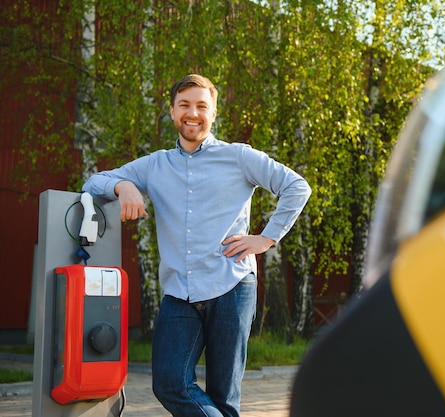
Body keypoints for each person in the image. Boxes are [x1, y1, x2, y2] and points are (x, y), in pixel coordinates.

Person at [82, 73, 311, 417]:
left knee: (223, 396)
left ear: (213, 113)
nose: (193, 113)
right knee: (170, 383)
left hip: (231, 285)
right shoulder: (155, 165)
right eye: (185, 105)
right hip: (179, 293)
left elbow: (296, 187)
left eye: (202, 106)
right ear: (172, 112)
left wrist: (266, 238)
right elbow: (94, 181)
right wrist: (124, 187)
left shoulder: (239, 157)